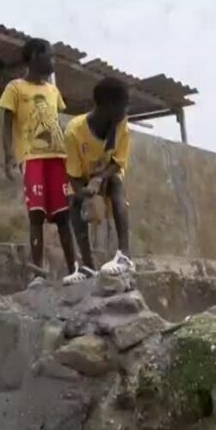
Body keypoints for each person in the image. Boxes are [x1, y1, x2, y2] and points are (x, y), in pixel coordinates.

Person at [0, 38, 77, 287]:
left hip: (58, 158)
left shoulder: (53, 91)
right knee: (36, 216)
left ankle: (74, 269)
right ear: (33, 56)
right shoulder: (15, 88)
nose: (52, 62)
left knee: (64, 216)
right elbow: (6, 124)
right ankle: (38, 274)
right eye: (49, 56)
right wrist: (9, 158)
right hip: (31, 158)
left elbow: (58, 122)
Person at [63, 78, 135, 284]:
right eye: (124, 104)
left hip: (107, 174)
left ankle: (124, 256)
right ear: (108, 106)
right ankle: (87, 267)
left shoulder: (122, 126)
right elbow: (74, 178)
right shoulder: (74, 132)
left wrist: (99, 179)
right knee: (73, 204)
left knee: (116, 184)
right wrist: (85, 193)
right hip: (83, 181)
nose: (126, 109)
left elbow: (118, 163)